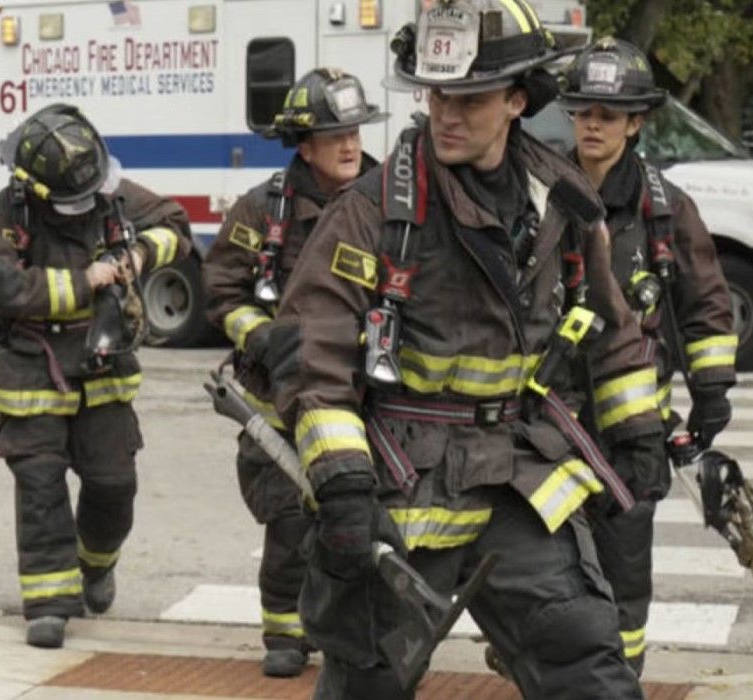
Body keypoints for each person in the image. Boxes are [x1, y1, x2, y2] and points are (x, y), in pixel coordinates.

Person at [268, 1, 663, 696]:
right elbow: (314, 361)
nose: (446, 111)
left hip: (515, 477)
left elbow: (608, 323)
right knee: (367, 681)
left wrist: (636, 432)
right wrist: (343, 487)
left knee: (587, 662)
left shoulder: (559, 201)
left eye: (470, 96)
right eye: (436, 92)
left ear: (516, 99)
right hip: (400, 487)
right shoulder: (372, 212)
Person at [0, 103, 190, 648]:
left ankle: (96, 565)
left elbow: (175, 226)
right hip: (31, 370)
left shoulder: (109, 191)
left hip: (103, 368)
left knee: (114, 486)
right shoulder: (3, 214)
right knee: (41, 489)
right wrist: (84, 280)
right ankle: (49, 602)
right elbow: (1, 285)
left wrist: (139, 255)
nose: (87, 205)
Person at [560, 37, 736, 675]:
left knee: (624, 567)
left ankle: (619, 677)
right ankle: (551, 667)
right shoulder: (540, 190)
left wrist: (711, 390)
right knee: (547, 570)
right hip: (546, 426)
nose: (593, 126)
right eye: (583, 112)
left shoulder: (665, 208)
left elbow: (706, 303)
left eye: (608, 115)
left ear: (636, 122)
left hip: (632, 434)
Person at [202, 67, 384, 678]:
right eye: (336, 134)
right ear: (305, 145)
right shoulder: (263, 209)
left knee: (360, 519)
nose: (351, 144)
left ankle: (356, 626)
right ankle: (285, 628)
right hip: (278, 399)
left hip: (368, 397)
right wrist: (268, 339)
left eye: (355, 131)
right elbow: (223, 293)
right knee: (289, 518)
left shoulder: (392, 202)